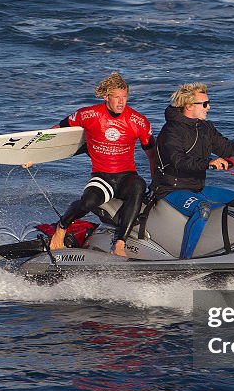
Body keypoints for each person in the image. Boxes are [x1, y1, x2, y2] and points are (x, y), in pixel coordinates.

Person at [32, 72, 154, 256]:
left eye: (125, 97)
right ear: (106, 97)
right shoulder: (88, 115)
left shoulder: (138, 121)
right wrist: (33, 153)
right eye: (117, 97)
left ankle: (120, 242)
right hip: (102, 176)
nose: (121, 102)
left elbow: (152, 154)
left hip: (126, 176)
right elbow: (59, 130)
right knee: (89, 201)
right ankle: (62, 227)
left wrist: (156, 181)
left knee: (139, 185)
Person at [151, 83, 234, 196]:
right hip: (170, 190)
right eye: (204, 104)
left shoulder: (205, 128)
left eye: (208, 103)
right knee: (202, 209)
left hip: (197, 189)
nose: (208, 107)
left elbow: (229, 149)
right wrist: (208, 163)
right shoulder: (171, 130)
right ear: (189, 106)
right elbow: (178, 160)